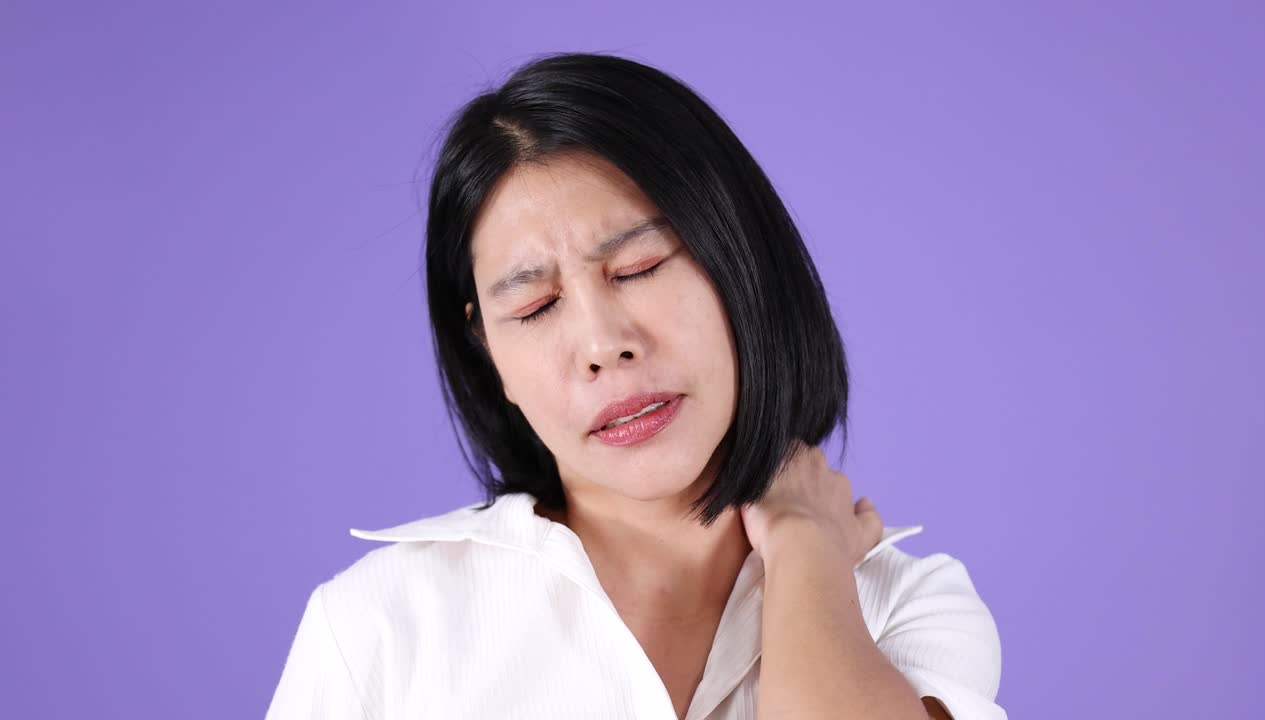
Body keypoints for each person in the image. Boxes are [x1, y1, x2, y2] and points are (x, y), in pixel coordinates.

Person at [265, 51, 1005, 720]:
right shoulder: (380, 625)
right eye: (535, 306)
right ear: (487, 349)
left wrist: (808, 548)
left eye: (639, 267)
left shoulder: (903, 606)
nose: (601, 345)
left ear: (740, 262)